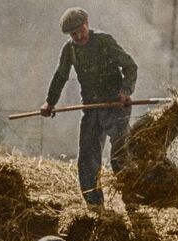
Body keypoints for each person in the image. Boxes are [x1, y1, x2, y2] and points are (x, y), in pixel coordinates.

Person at [40, 7, 138, 206]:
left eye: (80, 31)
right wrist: (50, 102)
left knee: (120, 156)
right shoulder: (70, 50)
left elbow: (130, 66)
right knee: (87, 158)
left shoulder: (104, 41)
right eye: (72, 34)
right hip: (91, 108)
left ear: (87, 23)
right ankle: (94, 206)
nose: (77, 36)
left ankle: (132, 201)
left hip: (115, 106)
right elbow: (60, 76)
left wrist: (126, 91)